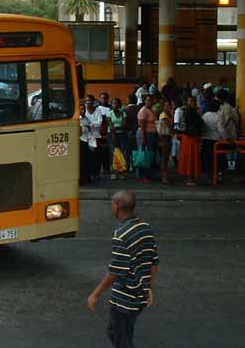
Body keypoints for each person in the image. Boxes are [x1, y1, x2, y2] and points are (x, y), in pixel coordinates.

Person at [87, 191, 159, 348]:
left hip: (125, 298)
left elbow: (115, 271)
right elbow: (153, 261)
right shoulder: (145, 228)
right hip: (140, 295)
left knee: (121, 339)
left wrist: (95, 294)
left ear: (116, 207)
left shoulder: (121, 235)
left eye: (112, 205)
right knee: (116, 331)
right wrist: (148, 287)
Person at [178, 97, 204, 185]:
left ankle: (188, 177)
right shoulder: (192, 112)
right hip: (192, 137)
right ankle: (190, 178)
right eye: (191, 101)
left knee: (187, 157)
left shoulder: (185, 111)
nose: (192, 103)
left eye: (193, 101)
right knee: (191, 157)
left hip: (187, 136)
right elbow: (199, 123)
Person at [201, 99, 226, 184]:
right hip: (216, 142)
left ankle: (208, 177)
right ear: (218, 107)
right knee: (216, 161)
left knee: (207, 160)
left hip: (206, 141)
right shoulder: (218, 116)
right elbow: (221, 130)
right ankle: (215, 177)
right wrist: (226, 138)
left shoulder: (205, 115)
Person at [80, 96, 103, 184]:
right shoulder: (81, 115)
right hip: (83, 139)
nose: (88, 102)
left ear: (93, 101)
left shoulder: (97, 111)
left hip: (94, 137)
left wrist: (91, 125)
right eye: (86, 101)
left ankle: (95, 173)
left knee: (95, 157)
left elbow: (99, 123)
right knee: (86, 158)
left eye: (89, 100)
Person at [137, 94, 159, 182]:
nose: (150, 102)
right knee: (144, 155)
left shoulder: (151, 110)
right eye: (148, 100)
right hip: (146, 134)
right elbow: (142, 126)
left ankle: (149, 174)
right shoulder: (143, 111)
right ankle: (143, 175)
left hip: (152, 135)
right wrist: (143, 138)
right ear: (144, 101)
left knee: (150, 155)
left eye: (151, 100)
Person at [107, 98, 129, 180]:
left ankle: (122, 171)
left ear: (120, 105)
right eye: (113, 103)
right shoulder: (109, 114)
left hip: (122, 135)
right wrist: (115, 133)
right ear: (111, 105)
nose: (115, 105)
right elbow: (111, 127)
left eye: (117, 103)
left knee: (123, 152)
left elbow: (125, 125)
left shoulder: (123, 113)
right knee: (113, 153)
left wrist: (116, 128)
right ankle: (114, 172)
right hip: (112, 135)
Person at [157, 100, 174, 185]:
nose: (168, 108)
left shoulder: (167, 115)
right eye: (166, 106)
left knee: (166, 158)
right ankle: (164, 177)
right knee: (164, 158)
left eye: (169, 106)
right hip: (164, 138)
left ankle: (165, 176)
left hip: (167, 137)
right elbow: (171, 125)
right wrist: (173, 113)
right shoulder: (163, 115)